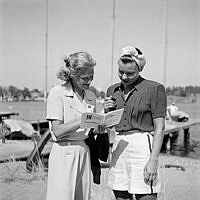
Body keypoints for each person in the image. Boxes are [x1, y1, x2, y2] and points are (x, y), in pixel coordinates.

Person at [104, 45, 167, 200]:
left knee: (146, 194)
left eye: (130, 73)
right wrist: (106, 111)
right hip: (119, 144)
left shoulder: (155, 89)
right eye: (121, 72)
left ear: (140, 70)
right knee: (120, 194)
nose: (124, 77)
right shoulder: (112, 90)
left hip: (143, 146)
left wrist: (153, 160)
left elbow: (160, 128)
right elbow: (110, 126)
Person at [46, 51, 102, 200]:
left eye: (92, 77)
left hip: (84, 151)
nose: (89, 81)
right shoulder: (57, 93)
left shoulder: (90, 96)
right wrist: (82, 120)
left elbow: (90, 129)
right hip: (64, 152)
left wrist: (100, 126)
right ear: (72, 74)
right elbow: (57, 131)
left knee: (82, 197)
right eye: (85, 78)